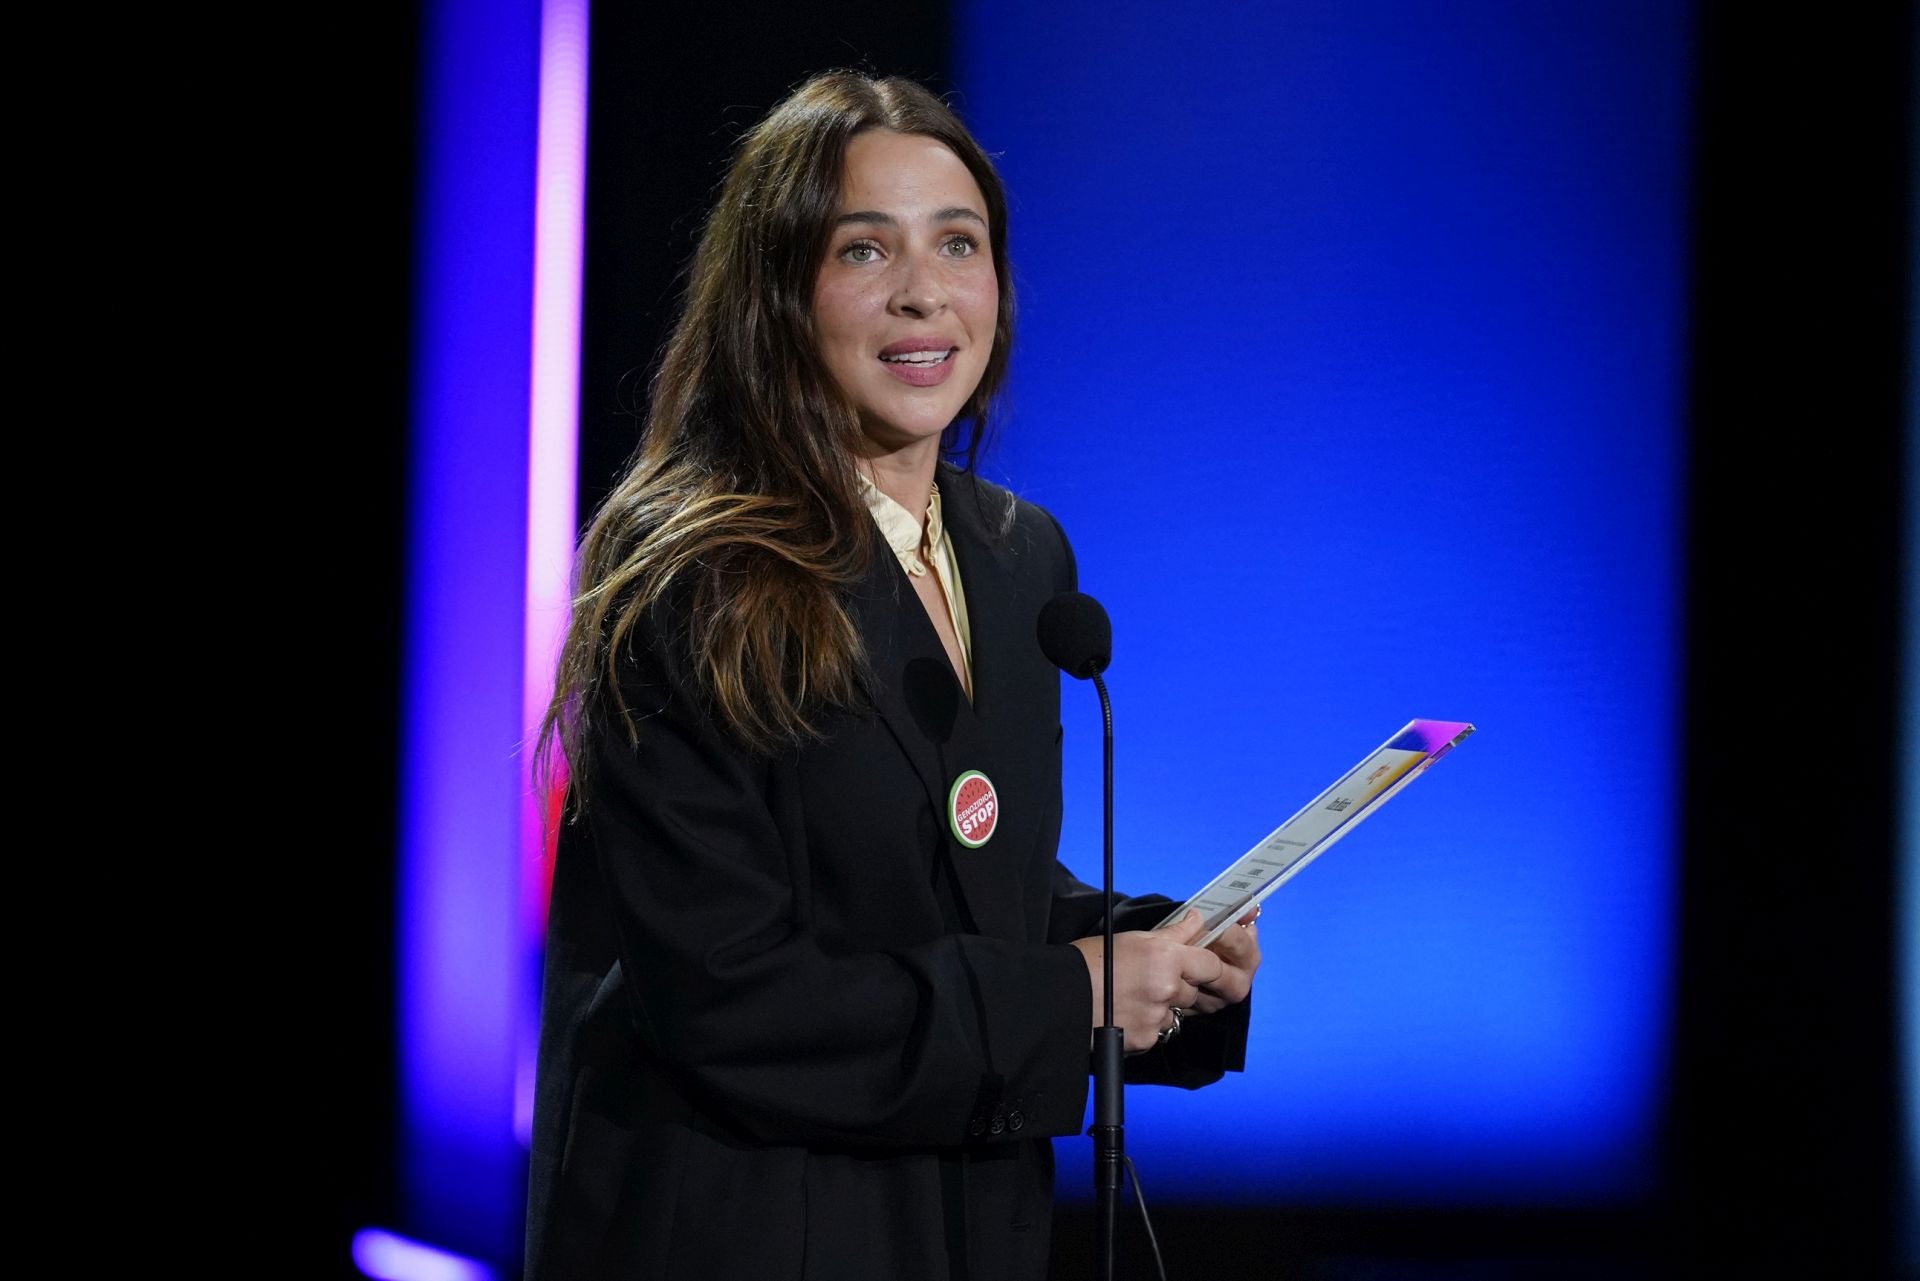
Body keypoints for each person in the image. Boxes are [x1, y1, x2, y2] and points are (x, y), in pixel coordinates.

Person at [524, 70, 1260, 1281]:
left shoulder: (1022, 559)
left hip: (968, 1219)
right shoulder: (694, 580)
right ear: (777, 293)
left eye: (957, 244)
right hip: (742, 1224)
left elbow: (959, 883)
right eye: (864, 250)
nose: (924, 293)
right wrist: (1065, 993)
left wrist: (1155, 954)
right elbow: (732, 1000)